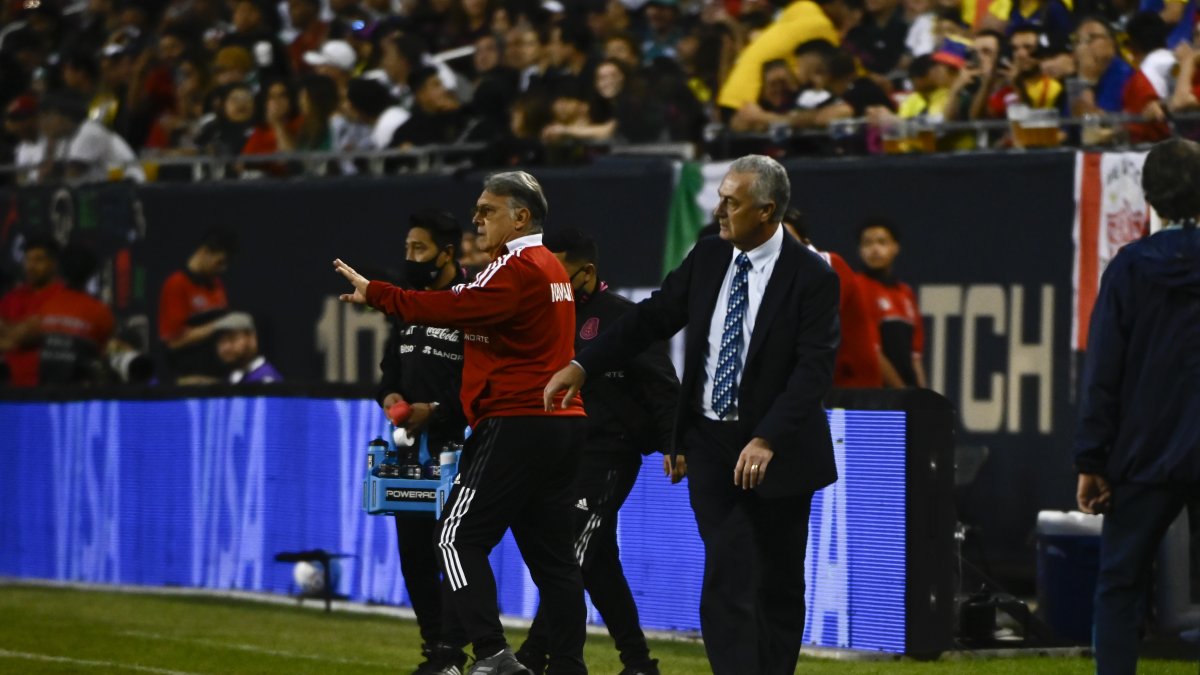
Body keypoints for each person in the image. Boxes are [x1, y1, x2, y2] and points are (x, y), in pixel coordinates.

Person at [544, 155, 840, 675]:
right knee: (728, 568)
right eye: (720, 197)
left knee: (777, 581)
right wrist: (582, 366)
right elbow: (650, 319)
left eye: (732, 201)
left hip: (781, 450)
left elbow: (813, 371)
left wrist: (767, 438)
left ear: (767, 210)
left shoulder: (812, 276)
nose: (719, 210)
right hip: (711, 444)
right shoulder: (707, 258)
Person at [334, 171, 588, 675]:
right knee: (552, 554)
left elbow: (458, 306)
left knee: (454, 537)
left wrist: (383, 295)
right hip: (558, 422)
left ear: (520, 217)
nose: (476, 219)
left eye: (487, 210)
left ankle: (491, 655)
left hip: (517, 419)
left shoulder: (515, 266)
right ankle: (566, 665)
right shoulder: (551, 269)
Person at [514, 228, 679, 675]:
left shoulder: (621, 318)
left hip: (609, 453)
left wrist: (672, 442)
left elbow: (662, 383)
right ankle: (639, 663)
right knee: (597, 557)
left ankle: (531, 656)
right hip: (560, 453)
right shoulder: (545, 316)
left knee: (569, 554)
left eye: (558, 270)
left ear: (586, 272)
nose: (548, 280)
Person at [1076, 136, 1200, 675]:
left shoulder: (1128, 268)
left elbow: (1105, 371)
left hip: (1144, 453)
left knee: (1121, 583)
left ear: (1149, 195)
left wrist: (1091, 460)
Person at [375, 209, 471, 675]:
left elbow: (481, 379)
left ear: (447, 253)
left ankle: (457, 650)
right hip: (410, 449)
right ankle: (436, 650)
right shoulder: (408, 302)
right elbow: (388, 369)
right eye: (407, 248)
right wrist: (390, 394)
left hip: (462, 445)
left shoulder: (473, 301)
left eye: (420, 249)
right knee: (413, 554)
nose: (410, 258)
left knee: (451, 550)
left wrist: (435, 410)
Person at [782, 208, 882, 388]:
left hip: (854, 390)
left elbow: (818, 328)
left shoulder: (830, 265)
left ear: (805, 243)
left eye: (787, 240)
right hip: (821, 387)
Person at [158, 227, 236, 384]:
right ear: (205, 252)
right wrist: (218, 325)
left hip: (219, 382)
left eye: (226, 263)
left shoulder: (217, 286)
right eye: (219, 262)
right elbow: (174, 342)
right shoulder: (177, 284)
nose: (223, 269)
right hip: (192, 383)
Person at [855, 216, 926, 388]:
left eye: (882, 242)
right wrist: (900, 393)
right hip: (877, 394)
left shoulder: (905, 293)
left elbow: (914, 356)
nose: (874, 249)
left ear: (895, 247)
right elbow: (873, 350)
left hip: (905, 395)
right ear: (860, 250)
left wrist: (922, 396)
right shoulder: (857, 288)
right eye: (867, 243)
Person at [35, 243, 115, 386]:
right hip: (82, 397)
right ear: (91, 273)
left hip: (45, 395)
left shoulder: (45, 306)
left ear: (60, 271)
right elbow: (105, 353)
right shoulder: (100, 312)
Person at [0, 234, 64, 387]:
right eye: (27, 259)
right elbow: (22, 336)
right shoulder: (12, 297)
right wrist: (22, 333)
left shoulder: (63, 297)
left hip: (47, 388)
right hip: (8, 387)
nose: (30, 266)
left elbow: (35, 334)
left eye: (38, 260)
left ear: (53, 263)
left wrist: (10, 330)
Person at [213, 312, 282, 383]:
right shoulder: (234, 377)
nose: (225, 347)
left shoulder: (266, 379)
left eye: (232, 339)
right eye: (221, 341)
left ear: (251, 339)